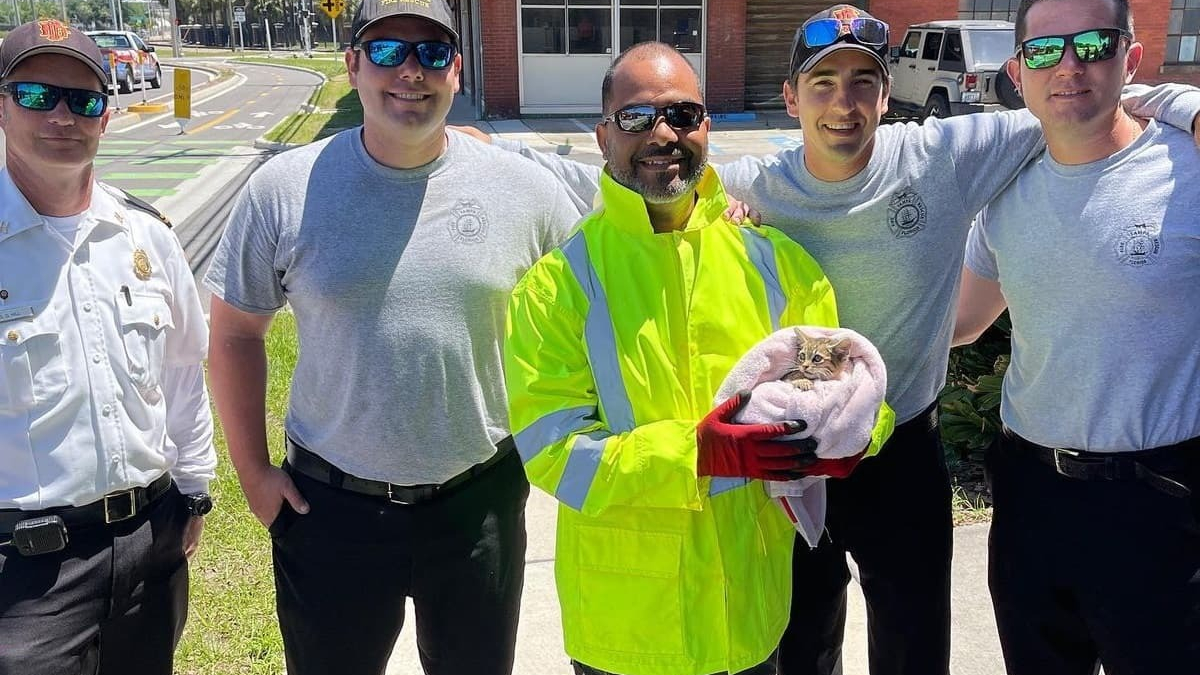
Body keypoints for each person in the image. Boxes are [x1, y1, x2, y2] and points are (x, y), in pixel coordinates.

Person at [465, 5, 1200, 673]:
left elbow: (1076, 98)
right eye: (821, 83)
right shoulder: (693, 230)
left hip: (891, 450)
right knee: (808, 643)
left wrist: (1184, 103)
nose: (842, 103)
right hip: (716, 540)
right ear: (790, 99)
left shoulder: (851, 215)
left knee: (913, 644)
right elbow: (554, 442)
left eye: (861, 83)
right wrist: (471, 148)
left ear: (887, 95)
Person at [202, 0, 582, 674]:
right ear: (352, 65)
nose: (411, 70)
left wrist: (719, 201)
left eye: (432, 53)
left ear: (456, 72)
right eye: (387, 51)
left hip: (479, 502)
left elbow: (607, 265)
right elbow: (234, 331)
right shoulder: (284, 190)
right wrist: (254, 474)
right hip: (331, 507)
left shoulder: (525, 190)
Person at [503, 42, 891, 675]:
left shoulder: (777, 265)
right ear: (603, 135)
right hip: (626, 630)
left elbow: (841, 388)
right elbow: (554, 455)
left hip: (749, 616)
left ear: (706, 126)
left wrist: (854, 434)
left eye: (683, 115)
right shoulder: (557, 286)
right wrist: (699, 453)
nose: (662, 134)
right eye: (636, 117)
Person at [953, 1, 1200, 673]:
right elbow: (962, 320)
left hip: (1160, 502)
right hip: (1031, 499)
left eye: (1093, 44)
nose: (1068, 66)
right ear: (1017, 71)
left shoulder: (1190, 167)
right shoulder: (1006, 186)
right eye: (1044, 51)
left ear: (1133, 56)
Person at [0, 18, 216, 675]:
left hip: (149, 548)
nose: (63, 115)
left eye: (84, 100)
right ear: (3, 105)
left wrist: (196, 491)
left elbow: (183, 375)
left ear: (106, 117)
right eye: (38, 95)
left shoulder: (148, 238)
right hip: (26, 578)